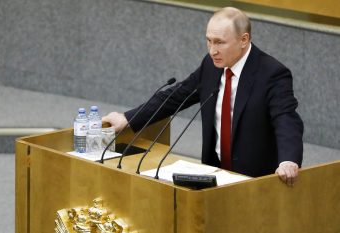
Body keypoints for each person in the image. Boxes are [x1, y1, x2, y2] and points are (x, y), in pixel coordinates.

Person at [102, 7, 303, 186]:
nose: (212, 50)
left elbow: (286, 120)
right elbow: (177, 95)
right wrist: (128, 118)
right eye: (208, 40)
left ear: (244, 40)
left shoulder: (272, 73)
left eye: (220, 42)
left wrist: (288, 160)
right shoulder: (212, 65)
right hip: (213, 175)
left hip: (253, 181)